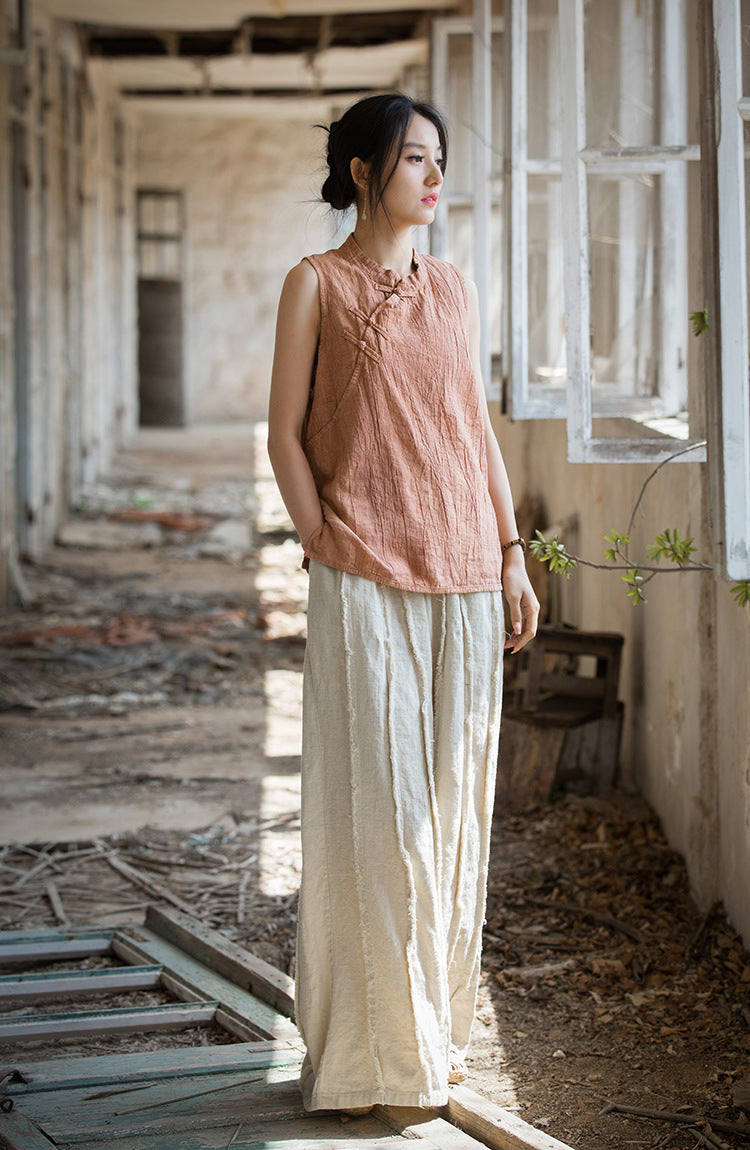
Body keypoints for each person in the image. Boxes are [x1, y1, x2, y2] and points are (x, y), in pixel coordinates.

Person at [267, 92, 539, 1115]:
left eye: (438, 158)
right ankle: (371, 1062)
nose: (434, 176)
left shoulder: (453, 288)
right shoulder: (315, 283)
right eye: (414, 158)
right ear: (362, 172)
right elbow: (283, 432)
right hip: (363, 575)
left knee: (451, 816)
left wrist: (512, 554)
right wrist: (320, 538)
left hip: (466, 573)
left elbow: (473, 429)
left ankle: (432, 1036)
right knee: (377, 818)